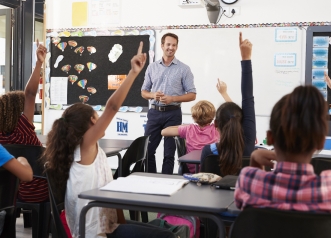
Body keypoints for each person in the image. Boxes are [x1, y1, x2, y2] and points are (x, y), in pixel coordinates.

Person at [41, 42, 175, 238]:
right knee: (166, 236)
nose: (101, 121)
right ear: (90, 123)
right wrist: (133, 73)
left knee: (161, 230)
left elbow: (110, 198)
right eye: (96, 117)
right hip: (94, 233)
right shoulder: (84, 148)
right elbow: (112, 107)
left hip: (106, 226)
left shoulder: (84, 150)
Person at [235, 85, 331, 216]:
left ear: (270, 138)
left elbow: (246, 207)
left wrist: (255, 164)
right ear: (321, 142)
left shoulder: (248, 180)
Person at [200, 32, 256, 176]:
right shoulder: (250, 147)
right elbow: (247, 97)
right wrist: (246, 58)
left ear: (216, 124)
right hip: (244, 198)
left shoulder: (209, 152)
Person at [141, 32, 196, 174]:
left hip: (173, 114)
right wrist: (153, 95)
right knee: (147, 150)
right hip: (154, 113)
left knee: (169, 153)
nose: (171, 48)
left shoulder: (184, 69)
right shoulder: (152, 67)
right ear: (162, 45)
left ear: (177, 47)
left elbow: (192, 94)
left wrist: (173, 99)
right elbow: (144, 92)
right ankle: (151, 179)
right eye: (168, 44)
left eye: (174, 45)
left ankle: (166, 182)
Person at [0, 44, 47, 203]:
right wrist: (39, 63)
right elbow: (31, 94)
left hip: (12, 194)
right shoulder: (24, 127)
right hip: (40, 189)